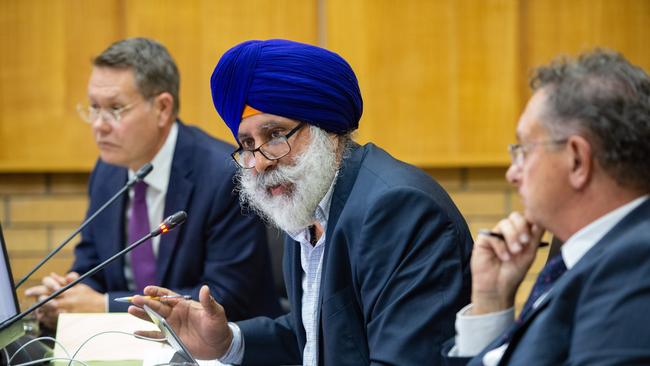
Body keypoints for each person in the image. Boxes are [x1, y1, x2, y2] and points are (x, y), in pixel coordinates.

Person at [129, 39, 474, 365]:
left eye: (276, 135)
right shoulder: (310, 202)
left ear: (328, 129)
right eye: (248, 144)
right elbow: (319, 333)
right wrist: (227, 340)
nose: (260, 161)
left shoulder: (398, 210)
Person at [25, 38, 282, 329]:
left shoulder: (224, 175)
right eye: (95, 108)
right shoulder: (108, 172)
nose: (99, 124)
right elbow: (91, 263)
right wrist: (67, 292)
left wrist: (106, 305)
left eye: (115, 109)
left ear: (162, 108)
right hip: (125, 344)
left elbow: (225, 297)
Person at [442, 49, 650, 365]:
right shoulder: (581, 255)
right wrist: (491, 301)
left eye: (524, 150)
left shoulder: (636, 265)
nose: (513, 173)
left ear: (577, 159)